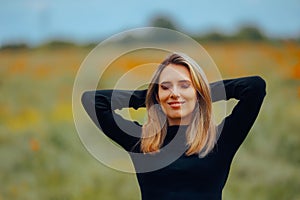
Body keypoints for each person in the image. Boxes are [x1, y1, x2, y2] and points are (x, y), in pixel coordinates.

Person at [81, 53, 266, 200]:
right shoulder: (142, 141)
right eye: (165, 87)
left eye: (185, 85)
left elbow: (255, 87)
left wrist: (199, 93)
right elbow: (93, 100)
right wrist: (151, 97)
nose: (174, 93)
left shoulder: (219, 139)